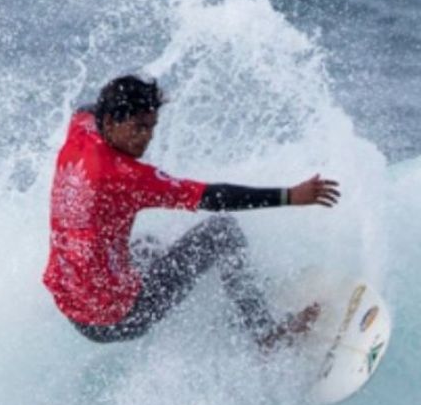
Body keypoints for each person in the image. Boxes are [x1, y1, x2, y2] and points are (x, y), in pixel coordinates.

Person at [42, 75, 340, 350]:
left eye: (152, 127)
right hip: (119, 318)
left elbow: (85, 107)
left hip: (72, 306)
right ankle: (264, 334)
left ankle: (239, 290)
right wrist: (290, 195)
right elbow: (213, 197)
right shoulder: (125, 176)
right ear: (110, 120)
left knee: (148, 246)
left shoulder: (81, 130)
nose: (146, 138)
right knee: (223, 232)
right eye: (138, 127)